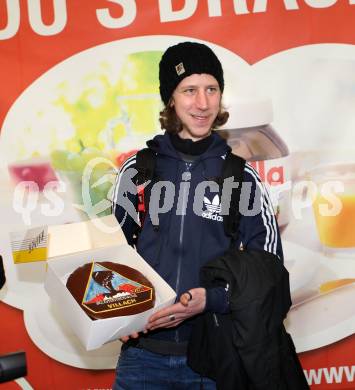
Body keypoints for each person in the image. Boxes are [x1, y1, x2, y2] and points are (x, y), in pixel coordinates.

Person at [111, 41, 283, 389]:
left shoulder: (241, 177)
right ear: (170, 99)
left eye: (211, 89)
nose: (202, 103)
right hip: (142, 361)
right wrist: (117, 315)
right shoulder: (138, 169)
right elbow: (110, 256)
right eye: (189, 90)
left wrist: (213, 298)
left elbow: (270, 275)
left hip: (214, 359)